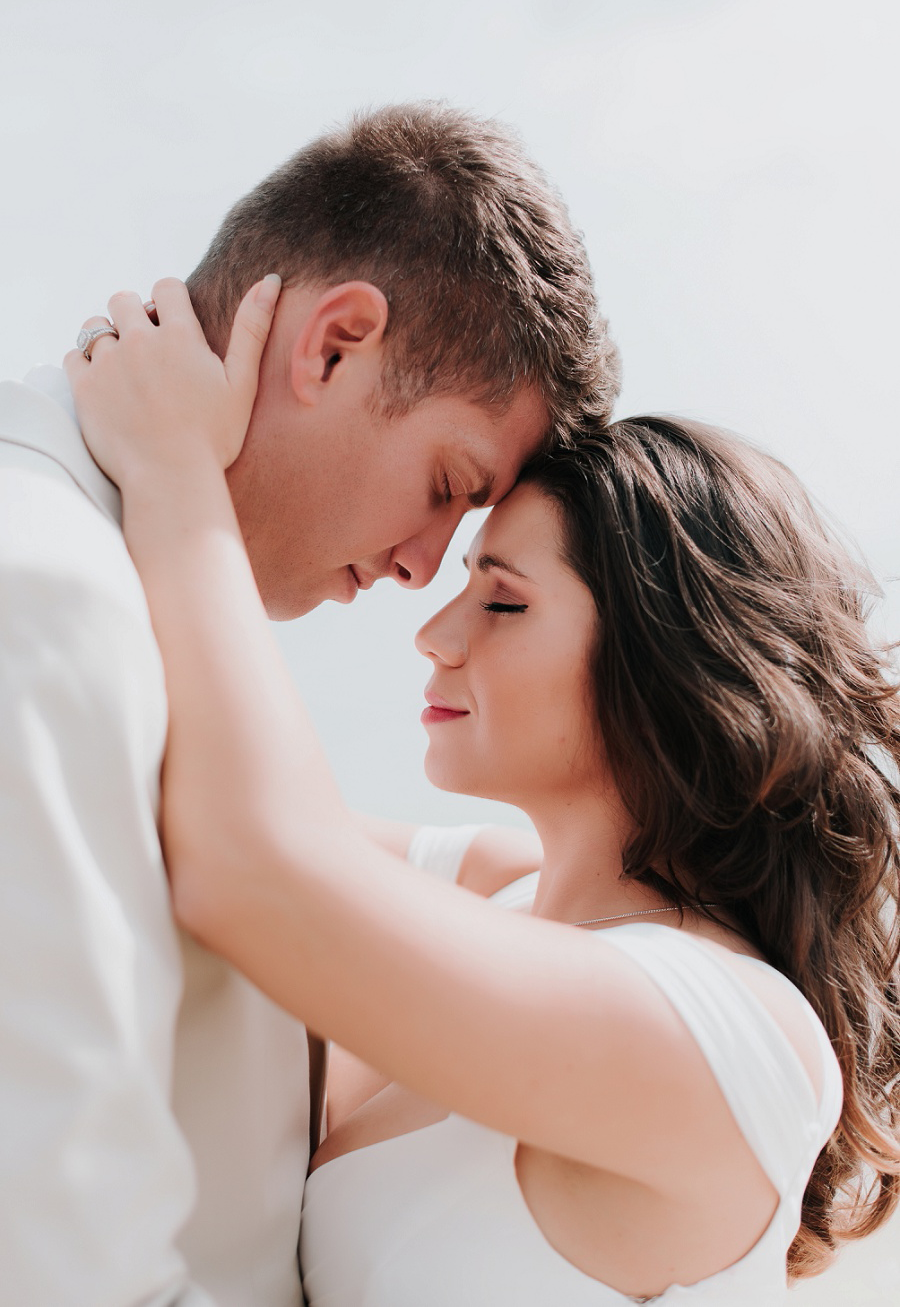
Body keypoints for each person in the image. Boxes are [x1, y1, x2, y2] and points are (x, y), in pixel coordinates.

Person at [69, 287, 900, 1304]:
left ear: (667, 662)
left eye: (504, 600)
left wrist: (176, 469)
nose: (436, 632)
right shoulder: (508, 898)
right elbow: (197, 789)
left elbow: (257, 865)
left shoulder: (730, 1036)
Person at [0, 104, 618, 1307]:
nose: (419, 572)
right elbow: (52, 1249)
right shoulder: (45, 597)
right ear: (334, 347)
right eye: (447, 487)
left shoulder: (146, 595)